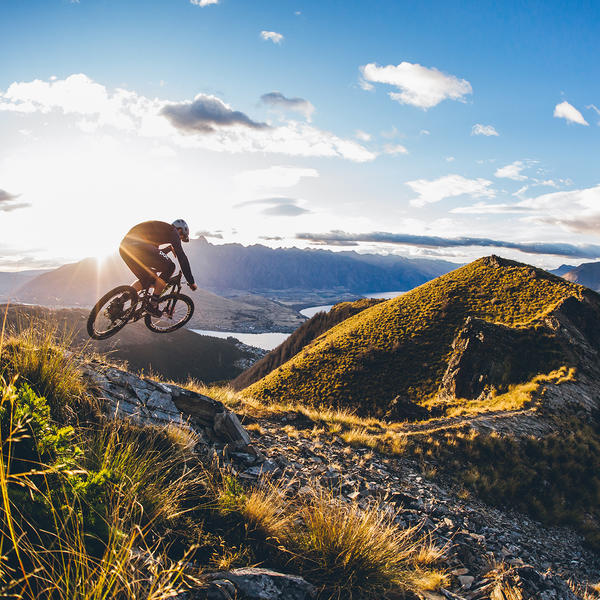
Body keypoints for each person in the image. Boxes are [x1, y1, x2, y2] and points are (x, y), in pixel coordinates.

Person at [119, 219, 198, 316]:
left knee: (147, 278)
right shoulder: (173, 231)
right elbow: (181, 257)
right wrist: (191, 281)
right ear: (180, 230)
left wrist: (168, 249)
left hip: (124, 248)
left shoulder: (157, 233)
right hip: (139, 247)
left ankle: (119, 302)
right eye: (181, 237)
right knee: (171, 267)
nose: (179, 239)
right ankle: (153, 304)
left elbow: (152, 256)